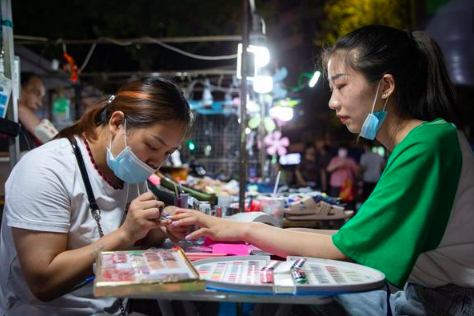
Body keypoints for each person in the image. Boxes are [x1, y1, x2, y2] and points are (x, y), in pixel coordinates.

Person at [170, 25, 474, 316]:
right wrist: (254, 232)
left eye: (341, 85)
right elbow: (352, 237)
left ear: (386, 86)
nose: (332, 102)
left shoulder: (428, 144)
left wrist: (247, 230)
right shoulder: (427, 139)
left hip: (446, 303)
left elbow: (345, 247)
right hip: (426, 295)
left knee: (290, 297)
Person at [0, 77, 193, 315]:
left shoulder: (130, 168)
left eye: (167, 153)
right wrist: (125, 234)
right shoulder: (45, 169)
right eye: (153, 146)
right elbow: (44, 282)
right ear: (117, 122)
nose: (156, 163)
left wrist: (162, 225)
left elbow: (142, 236)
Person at [0, 72, 58, 152]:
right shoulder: (4, 120)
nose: (40, 104)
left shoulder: (27, 128)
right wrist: (17, 105)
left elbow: (54, 144)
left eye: (41, 98)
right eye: (36, 94)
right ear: (19, 89)